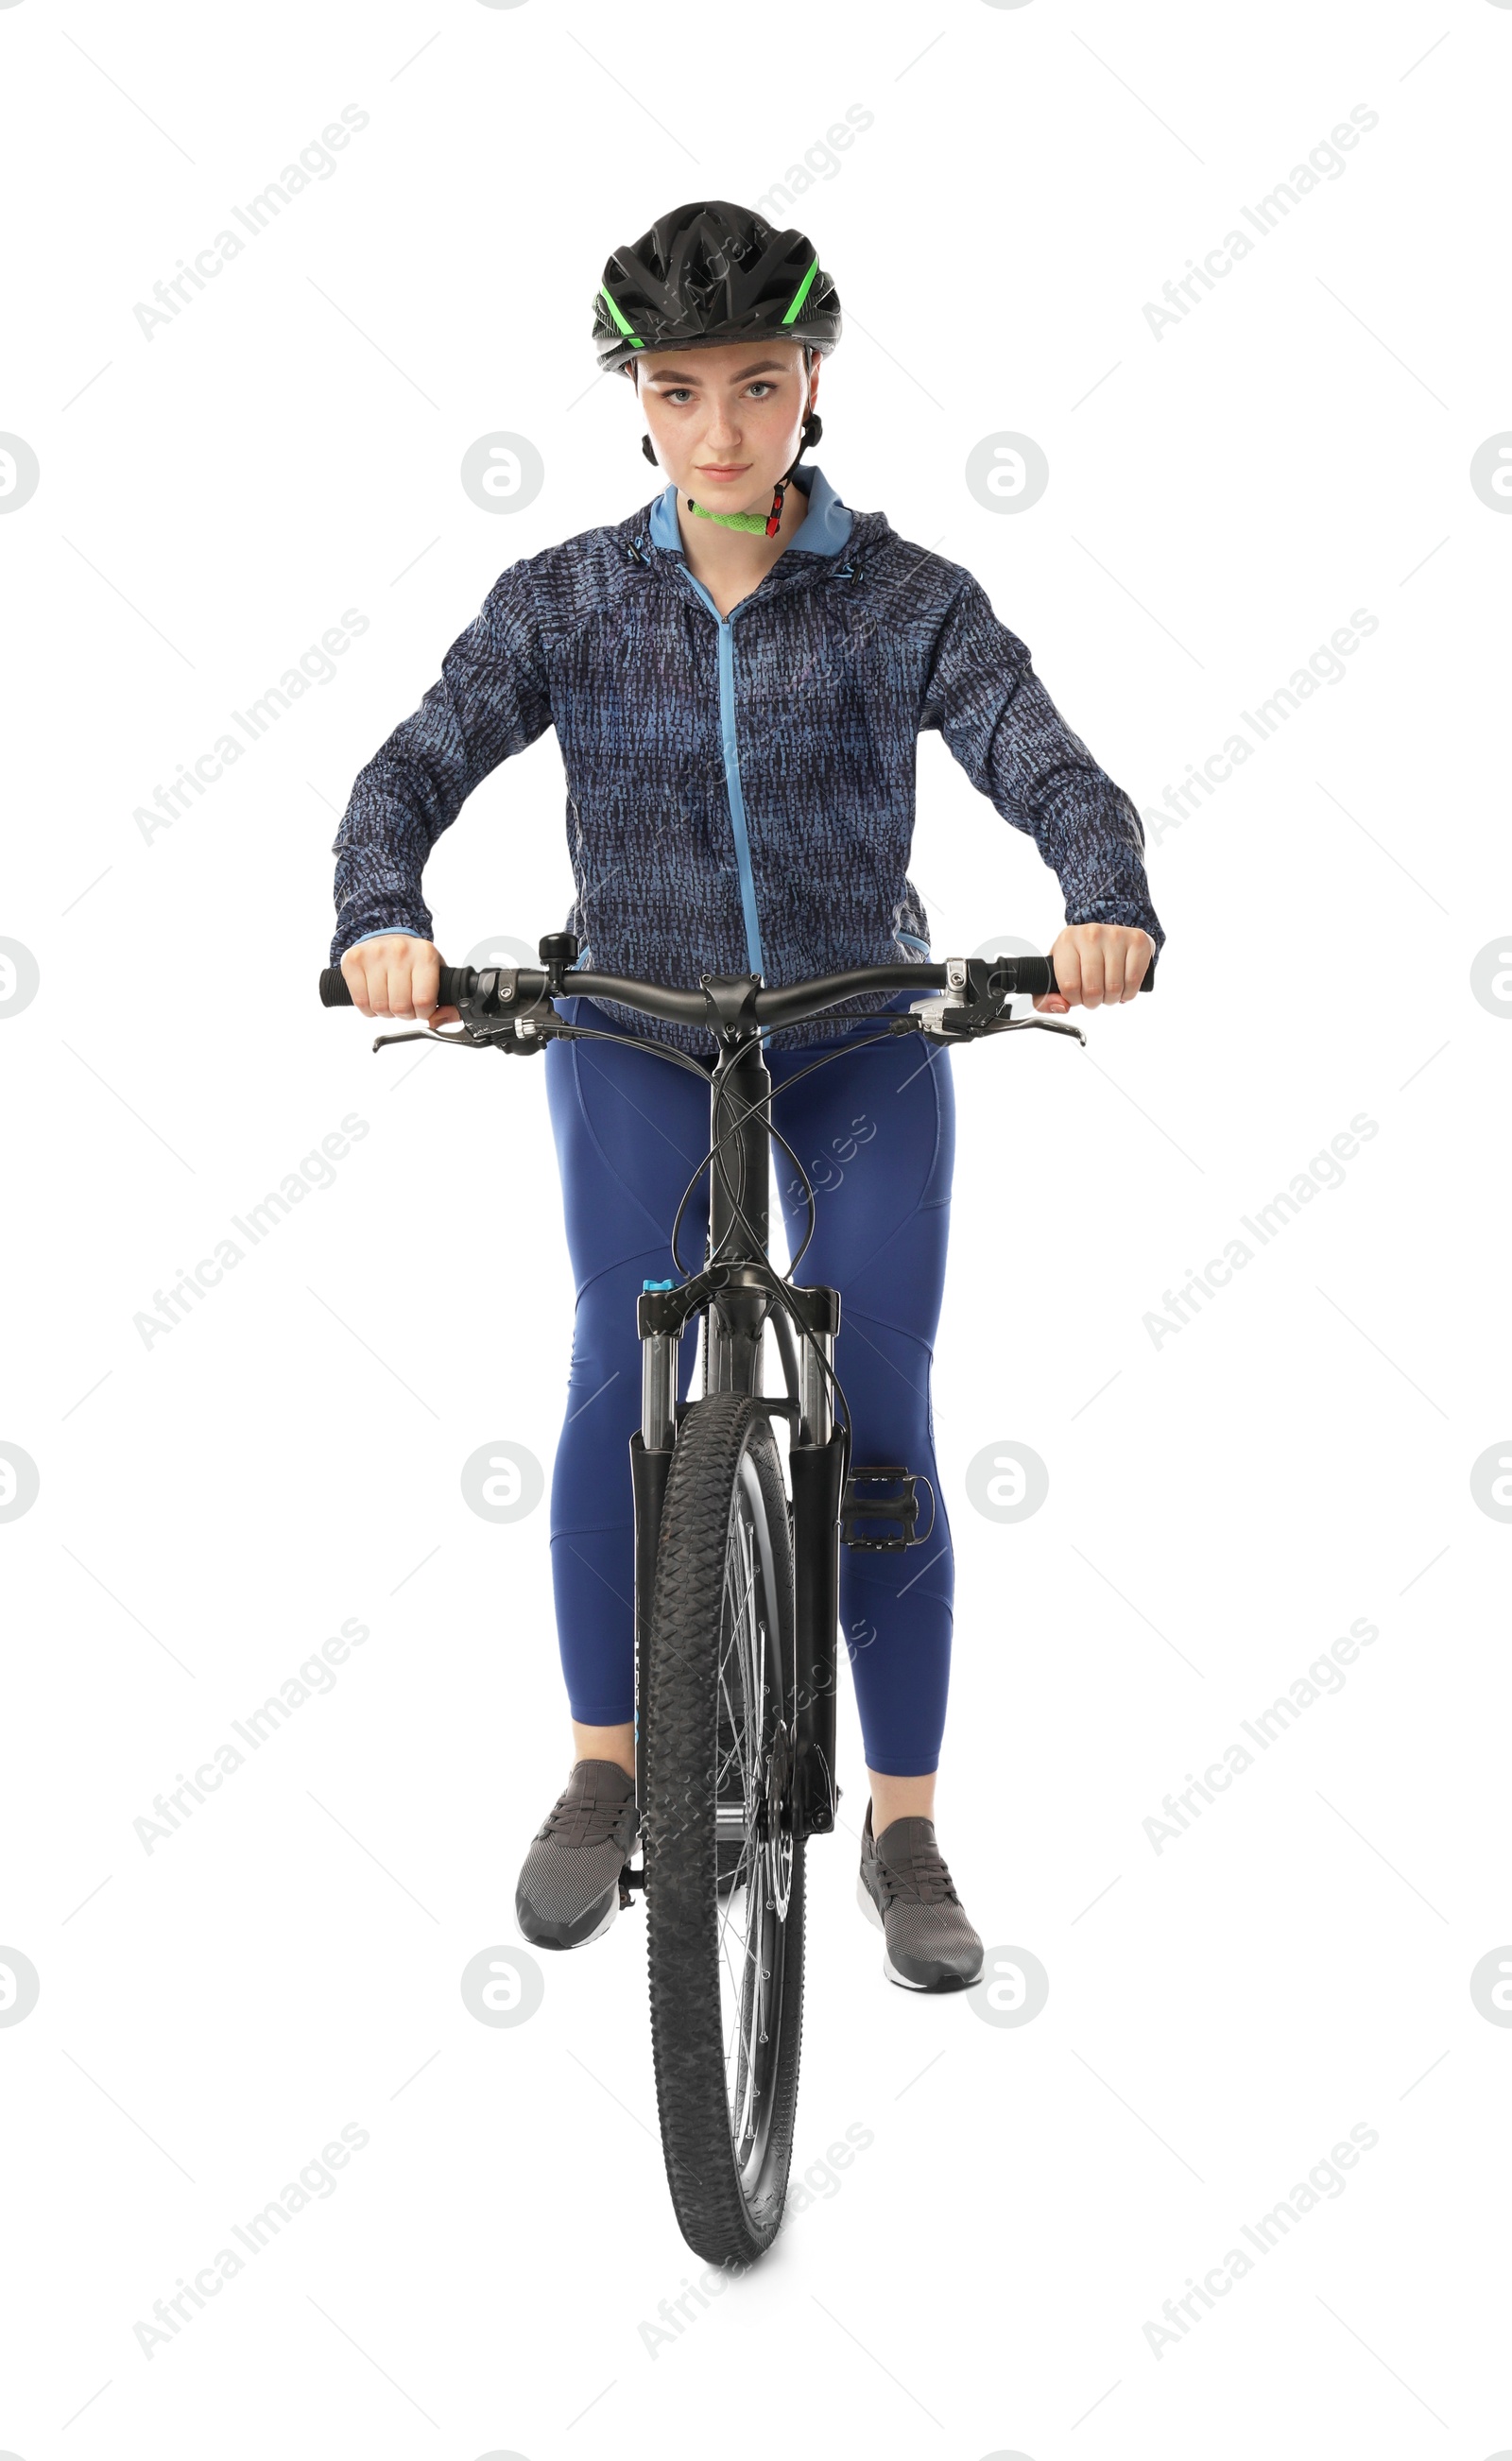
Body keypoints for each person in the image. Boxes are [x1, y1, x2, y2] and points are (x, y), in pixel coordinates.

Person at [330, 200, 1162, 1992]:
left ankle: (909, 1821)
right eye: (682, 387)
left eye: (760, 384)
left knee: (880, 1400)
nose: (723, 427)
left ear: (813, 386)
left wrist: (1104, 899)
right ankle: (603, 1774)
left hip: (857, 1027)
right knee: (608, 1364)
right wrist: (382, 919)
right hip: (633, 1023)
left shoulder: (911, 598)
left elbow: (1051, 764)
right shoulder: (560, 599)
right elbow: (402, 776)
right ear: (634, 397)